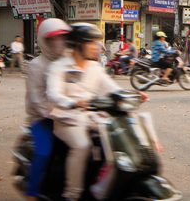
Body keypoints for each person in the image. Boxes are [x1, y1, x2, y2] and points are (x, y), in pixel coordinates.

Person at [47, 23, 146, 201]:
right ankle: (72, 193)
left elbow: (112, 89)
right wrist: (73, 102)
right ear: (78, 44)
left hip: (92, 116)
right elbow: (53, 94)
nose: (96, 47)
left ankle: (105, 186)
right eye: (91, 43)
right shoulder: (59, 66)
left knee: (118, 140)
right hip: (67, 119)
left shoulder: (94, 67)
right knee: (82, 145)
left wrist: (133, 94)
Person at [24, 18, 71, 201]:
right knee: (44, 152)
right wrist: (59, 114)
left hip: (70, 115)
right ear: (45, 41)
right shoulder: (36, 65)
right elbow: (37, 100)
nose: (58, 42)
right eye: (53, 39)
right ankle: (32, 192)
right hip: (42, 118)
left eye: (62, 38)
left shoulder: (69, 61)